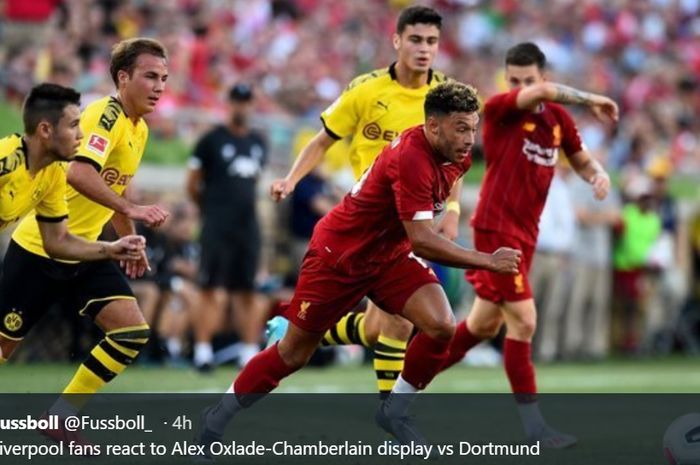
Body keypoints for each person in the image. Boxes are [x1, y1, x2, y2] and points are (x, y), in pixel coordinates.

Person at [195, 82, 521, 459]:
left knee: (441, 324)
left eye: (473, 127)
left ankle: (394, 411)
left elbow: (454, 183)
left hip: (388, 256)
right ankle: (218, 416)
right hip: (340, 255)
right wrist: (487, 259)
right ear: (433, 126)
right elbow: (422, 241)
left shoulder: (455, 153)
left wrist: (455, 209)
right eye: (461, 128)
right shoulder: (413, 158)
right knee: (293, 354)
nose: (468, 138)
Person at [268, 5, 461, 397]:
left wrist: (453, 211)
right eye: (416, 40)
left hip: (411, 223)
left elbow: (454, 159)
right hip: (364, 222)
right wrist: (291, 179)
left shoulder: (443, 97)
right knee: (396, 324)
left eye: (432, 42)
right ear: (397, 41)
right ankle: (392, 415)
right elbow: (323, 140)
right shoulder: (367, 89)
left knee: (385, 326)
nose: (424, 49)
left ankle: (299, 331)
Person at [438, 42, 618, 448]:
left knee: (482, 325)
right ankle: (536, 429)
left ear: (542, 75)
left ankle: (403, 389)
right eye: (514, 79)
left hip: (526, 235)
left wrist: (598, 175)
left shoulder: (557, 121)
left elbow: (581, 158)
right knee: (524, 321)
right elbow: (542, 95)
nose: (520, 87)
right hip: (495, 230)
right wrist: (592, 98)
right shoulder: (502, 108)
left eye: (528, 80)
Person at [6, 38, 170, 438]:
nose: (160, 86)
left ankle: (61, 417)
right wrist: (132, 212)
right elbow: (79, 173)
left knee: (131, 332)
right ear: (123, 77)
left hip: (87, 250)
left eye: (164, 78)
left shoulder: (140, 129)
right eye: (150, 76)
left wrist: (129, 240)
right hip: (41, 249)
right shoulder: (104, 116)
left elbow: (118, 191)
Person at [0, 82, 148, 363]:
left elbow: (58, 242)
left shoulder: (54, 174)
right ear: (45, 130)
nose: (81, 135)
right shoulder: (7, 159)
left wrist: (111, 248)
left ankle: (62, 411)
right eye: (73, 126)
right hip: (29, 258)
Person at [186, 82, 268, 372]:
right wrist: (210, 210)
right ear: (229, 103)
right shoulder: (210, 140)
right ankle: (203, 351)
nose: (241, 106)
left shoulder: (259, 141)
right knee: (210, 288)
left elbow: (254, 183)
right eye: (237, 101)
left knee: (248, 289)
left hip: (247, 226)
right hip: (217, 224)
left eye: (246, 101)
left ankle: (248, 351)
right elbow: (193, 184)